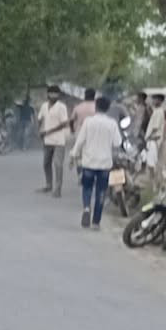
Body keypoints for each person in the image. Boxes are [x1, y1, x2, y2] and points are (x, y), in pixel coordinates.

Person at [70, 95, 124, 230]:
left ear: (96, 107)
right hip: (105, 164)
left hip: (89, 162)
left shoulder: (88, 122)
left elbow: (80, 140)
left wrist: (73, 154)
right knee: (101, 191)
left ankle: (86, 208)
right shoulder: (112, 123)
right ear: (108, 108)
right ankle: (96, 222)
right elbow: (117, 142)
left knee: (87, 187)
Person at [37, 86, 72, 196]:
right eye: (51, 93)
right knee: (46, 163)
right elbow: (40, 118)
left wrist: (48, 131)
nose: (53, 96)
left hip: (58, 140)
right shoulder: (44, 106)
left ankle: (58, 188)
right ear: (48, 94)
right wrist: (39, 130)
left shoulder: (61, 107)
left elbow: (64, 123)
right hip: (47, 140)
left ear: (58, 95)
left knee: (58, 164)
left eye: (55, 93)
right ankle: (48, 184)